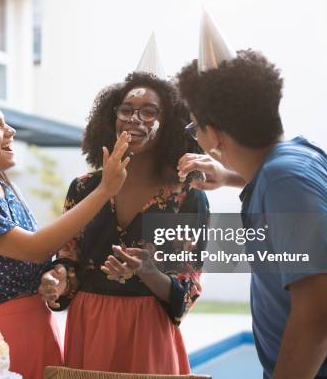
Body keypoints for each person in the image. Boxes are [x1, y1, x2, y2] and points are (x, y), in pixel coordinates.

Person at [176, 11, 327, 378]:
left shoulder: (283, 183)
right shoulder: (303, 158)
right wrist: (229, 176)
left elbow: (321, 313)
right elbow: (293, 189)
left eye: (195, 126)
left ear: (213, 135)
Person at [0, 72, 131, 379]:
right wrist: (104, 191)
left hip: (40, 331)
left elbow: (38, 257)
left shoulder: (10, 192)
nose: (11, 131)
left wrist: (53, 275)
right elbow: (34, 248)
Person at [38, 36, 209, 374]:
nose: (135, 119)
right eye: (127, 110)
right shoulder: (85, 187)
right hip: (89, 326)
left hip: (148, 332)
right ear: (111, 118)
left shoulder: (186, 197)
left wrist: (148, 271)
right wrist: (58, 278)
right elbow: (69, 258)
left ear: (170, 124)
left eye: (149, 112)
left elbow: (188, 285)